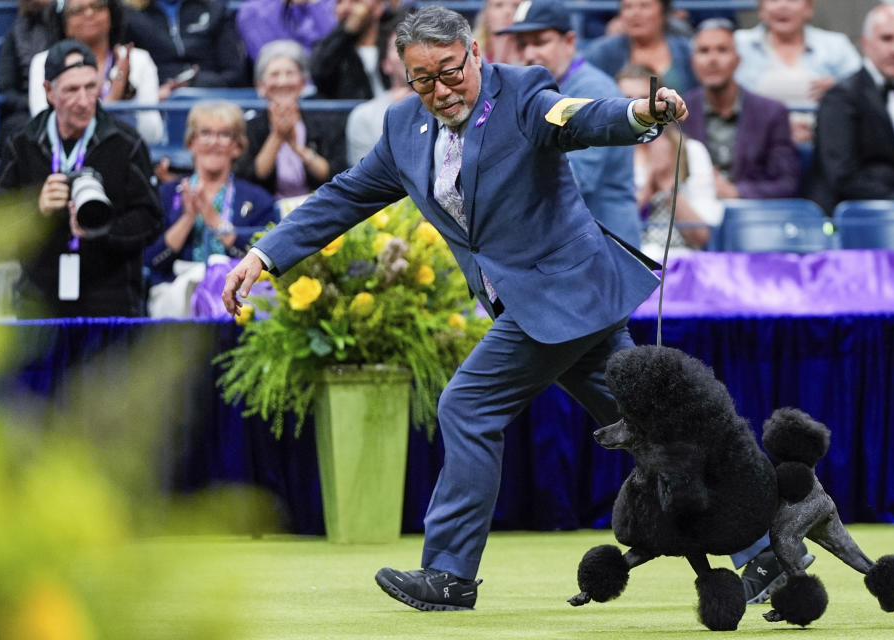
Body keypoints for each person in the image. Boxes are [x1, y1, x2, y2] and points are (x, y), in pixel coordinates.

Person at [221, 6, 687, 610]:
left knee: (467, 404)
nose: (440, 91)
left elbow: (579, 119)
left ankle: (449, 574)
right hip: (550, 302)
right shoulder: (401, 129)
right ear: (404, 76)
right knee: (654, 429)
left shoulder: (521, 91)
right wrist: (263, 255)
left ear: (476, 54)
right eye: (422, 79)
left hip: (561, 292)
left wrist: (640, 114)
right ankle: (767, 548)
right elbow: (342, 196)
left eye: (449, 72)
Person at [0, 40, 163, 318]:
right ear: (49, 91)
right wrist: (36, 210)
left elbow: (152, 219)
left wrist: (102, 229)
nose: (85, 101)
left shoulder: (125, 142)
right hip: (38, 300)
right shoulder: (22, 144)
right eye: (72, 90)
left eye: (91, 87)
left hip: (111, 301)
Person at [501, 0, 642, 247]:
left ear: (569, 41)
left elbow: (576, 178)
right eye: (522, 45)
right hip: (572, 243)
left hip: (609, 246)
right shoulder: (539, 90)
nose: (530, 54)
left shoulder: (592, 89)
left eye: (540, 42)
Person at [806, 3, 894, 214]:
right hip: (858, 219)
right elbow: (841, 176)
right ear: (866, 43)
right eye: (887, 38)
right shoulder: (840, 97)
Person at [145, 101, 278, 317]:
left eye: (224, 134)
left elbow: (266, 260)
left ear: (237, 146)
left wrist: (213, 219)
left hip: (239, 292)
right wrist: (188, 218)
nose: (214, 142)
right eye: (205, 133)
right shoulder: (166, 194)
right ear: (191, 142)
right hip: (176, 293)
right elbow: (151, 259)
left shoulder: (258, 200)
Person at [683, 18, 800, 200]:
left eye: (722, 50)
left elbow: (786, 183)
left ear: (737, 61)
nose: (712, 60)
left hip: (753, 215)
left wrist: (737, 193)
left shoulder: (772, 113)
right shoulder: (677, 111)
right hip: (693, 214)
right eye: (704, 51)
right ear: (693, 62)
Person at [616, 64, 722, 259]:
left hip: (682, 262)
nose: (636, 109)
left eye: (643, 100)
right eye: (626, 100)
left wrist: (668, 186)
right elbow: (612, 232)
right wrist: (650, 186)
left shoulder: (691, 151)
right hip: (625, 260)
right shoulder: (607, 152)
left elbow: (701, 236)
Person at [28, 0, 164, 145]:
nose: (89, 14)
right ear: (63, 22)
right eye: (77, 10)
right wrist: (114, 97)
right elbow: (44, 129)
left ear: (111, 14)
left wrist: (129, 95)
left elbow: (152, 134)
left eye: (98, 6)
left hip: (126, 155)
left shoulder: (138, 60)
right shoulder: (43, 62)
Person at [734, 0, 860, 143]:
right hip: (756, 141)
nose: (783, 6)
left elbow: (865, 90)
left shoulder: (836, 45)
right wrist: (781, 128)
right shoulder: (737, 44)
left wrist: (840, 89)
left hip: (826, 140)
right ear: (761, 9)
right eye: (773, 0)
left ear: (809, 8)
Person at [234, 40, 346, 198]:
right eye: (274, 74)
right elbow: (250, 178)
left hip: (318, 207)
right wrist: (277, 136)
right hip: (266, 211)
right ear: (261, 86)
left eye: (290, 73)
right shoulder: (248, 128)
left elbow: (336, 175)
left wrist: (298, 149)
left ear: (303, 83)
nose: (283, 81)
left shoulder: (327, 124)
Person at [122, 0, 247, 99]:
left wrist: (195, 83)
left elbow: (234, 73)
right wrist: (151, 96)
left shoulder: (216, 12)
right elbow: (128, 71)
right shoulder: (130, 17)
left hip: (212, 98)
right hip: (156, 100)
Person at [584, 0, 697, 94]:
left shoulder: (687, 50)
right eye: (628, 7)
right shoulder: (602, 52)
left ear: (663, 12)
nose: (635, 13)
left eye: (644, 6)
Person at [345, 18, 413, 166]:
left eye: (414, 45)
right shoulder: (363, 116)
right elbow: (366, 181)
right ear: (386, 64)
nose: (409, 54)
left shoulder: (445, 105)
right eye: (400, 47)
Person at [0, 0, 56, 153]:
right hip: (27, 109)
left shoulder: (70, 22)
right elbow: (6, 88)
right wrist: (35, 104)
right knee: (19, 130)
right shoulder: (16, 31)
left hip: (71, 102)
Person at [308, 0, 389, 99]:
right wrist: (346, 32)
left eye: (355, 1)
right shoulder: (329, 48)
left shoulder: (392, 42)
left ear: (378, 8)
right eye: (339, 2)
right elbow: (318, 73)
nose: (344, 8)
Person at [237, 0, 337, 62]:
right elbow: (269, 59)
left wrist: (316, 5)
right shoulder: (252, 11)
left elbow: (337, 50)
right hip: (282, 85)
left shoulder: (332, 5)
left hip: (328, 84)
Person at [472, 0, 521, 64]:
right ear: (485, 14)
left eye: (516, 6)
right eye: (499, 5)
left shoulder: (531, 55)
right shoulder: (470, 52)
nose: (508, 11)